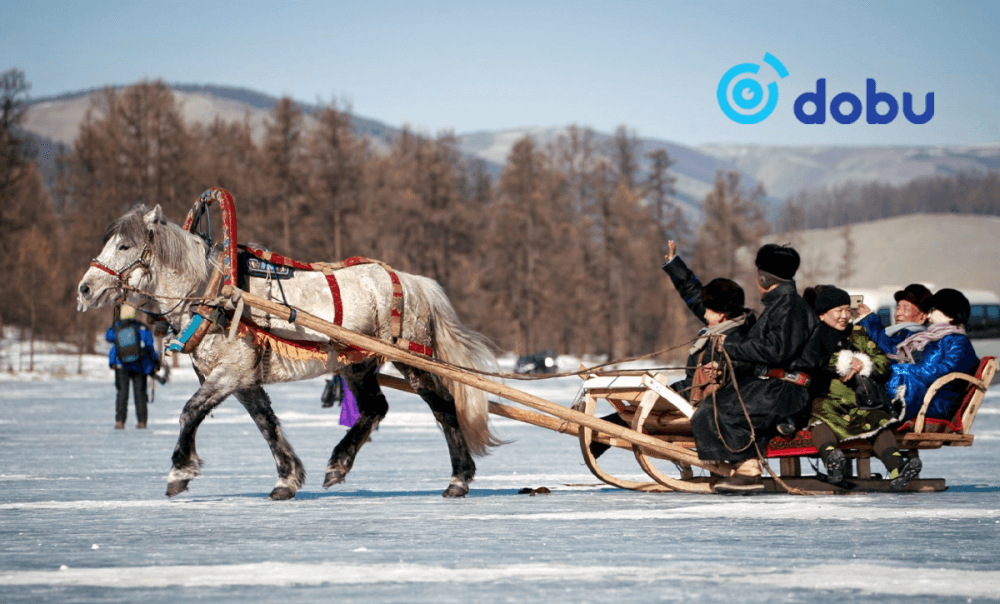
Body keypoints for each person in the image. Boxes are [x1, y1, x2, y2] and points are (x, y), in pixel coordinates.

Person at [588, 240, 754, 460]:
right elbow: (694, 295)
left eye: (708, 310)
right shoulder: (723, 321)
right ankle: (596, 433)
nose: (703, 313)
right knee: (635, 406)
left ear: (721, 314)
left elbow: (744, 364)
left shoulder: (737, 336)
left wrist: (720, 368)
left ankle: (597, 435)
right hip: (687, 390)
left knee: (641, 407)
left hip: (700, 399)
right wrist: (675, 265)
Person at [690, 243, 818, 493]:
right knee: (711, 407)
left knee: (719, 410)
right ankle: (741, 465)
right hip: (770, 385)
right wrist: (725, 365)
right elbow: (761, 351)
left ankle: (748, 471)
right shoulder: (779, 306)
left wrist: (732, 347)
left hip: (784, 389)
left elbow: (777, 351)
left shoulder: (790, 307)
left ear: (763, 277)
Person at [802, 286, 918, 490]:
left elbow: (883, 364)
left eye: (848, 310)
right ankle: (833, 461)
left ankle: (897, 468)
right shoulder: (811, 336)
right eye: (838, 311)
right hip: (824, 400)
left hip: (861, 402)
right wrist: (842, 361)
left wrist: (862, 364)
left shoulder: (858, 334)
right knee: (820, 420)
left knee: (878, 421)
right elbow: (808, 361)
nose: (844, 316)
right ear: (822, 314)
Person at [886, 288, 979, 421]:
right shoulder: (937, 338)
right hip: (924, 395)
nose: (928, 317)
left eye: (932, 311)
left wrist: (903, 369)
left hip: (936, 402)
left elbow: (944, 372)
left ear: (949, 312)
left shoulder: (959, 342)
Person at [107, 304, 159, 430]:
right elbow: (150, 346)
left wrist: (115, 324)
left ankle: (120, 421)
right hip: (140, 366)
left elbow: (108, 337)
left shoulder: (117, 327)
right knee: (140, 394)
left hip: (121, 365)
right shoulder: (142, 328)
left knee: (122, 394)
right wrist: (155, 363)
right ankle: (142, 421)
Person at [857, 283, 932, 355]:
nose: (898, 313)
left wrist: (869, 320)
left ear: (922, 317)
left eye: (906, 309)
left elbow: (892, 353)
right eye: (898, 308)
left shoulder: (917, 338)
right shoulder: (896, 333)